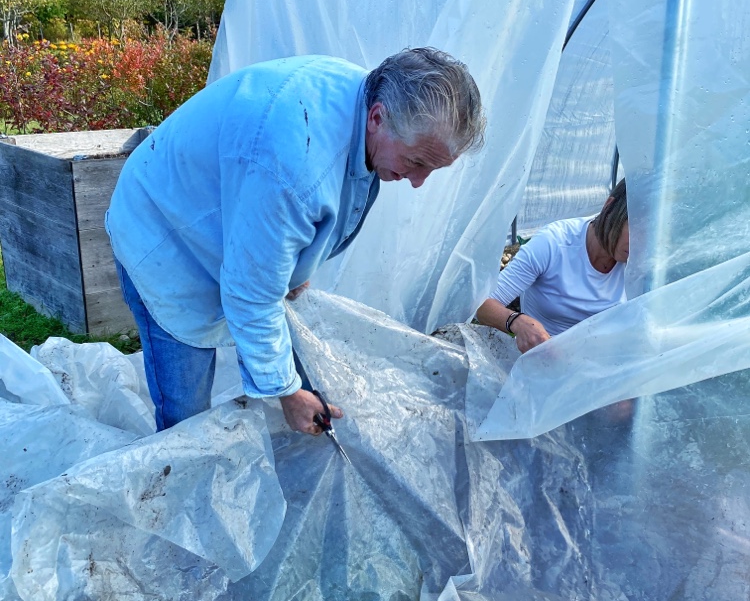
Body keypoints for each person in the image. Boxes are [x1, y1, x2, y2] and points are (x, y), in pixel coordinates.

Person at [107, 48, 484, 435]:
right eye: (418, 162)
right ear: (377, 118)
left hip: (222, 206)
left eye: (432, 169)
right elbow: (250, 293)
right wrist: (287, 392)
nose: (419, 181)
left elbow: (301, 219)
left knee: (266, 324)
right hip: (162, 233)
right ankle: (176, 479)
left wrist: (288, 269)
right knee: (186, 414)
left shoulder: (368, 103)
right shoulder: (294, 166)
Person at [475, 179, 628, 353]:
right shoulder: (554, 244)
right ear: (609, 208)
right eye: (638, 227)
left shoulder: (647, 261)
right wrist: (518, 322)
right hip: (545, 360)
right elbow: (482, 305)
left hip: (602, 362)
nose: (643, 242)